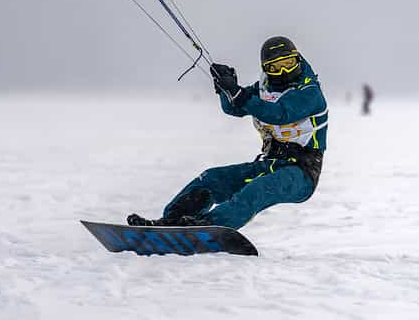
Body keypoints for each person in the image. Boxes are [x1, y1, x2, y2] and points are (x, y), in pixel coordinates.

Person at [127, 36, 328, 230]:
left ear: (298, 60)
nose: (284, 71)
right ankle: (171, 221)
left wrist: (239, 94)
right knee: (212, 179)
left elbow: (279, 114)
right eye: (275, 67)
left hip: (302, 172)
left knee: (256, 190)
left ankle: (210, 226)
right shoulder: (264, 89)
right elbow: (234, 108)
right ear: (265, 69)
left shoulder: (310, 92)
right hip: (271, 163)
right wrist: (226, 88)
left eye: (289, 63)